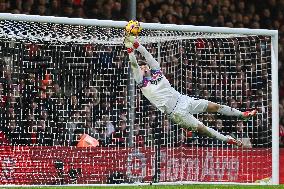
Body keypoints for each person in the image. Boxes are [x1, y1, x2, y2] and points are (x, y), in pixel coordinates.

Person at [124, 36, 257, 147]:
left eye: (144, 65)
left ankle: (242, 115)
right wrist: (130, 51)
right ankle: (227, 139)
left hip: (183, 99)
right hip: (176, 113)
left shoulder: (157, 72)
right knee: (203, 129)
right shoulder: (142, 83)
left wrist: (137, 44)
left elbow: (147, 55)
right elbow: (134, 65)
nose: (143, 67)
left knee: (214, 106)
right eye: (141, 67)